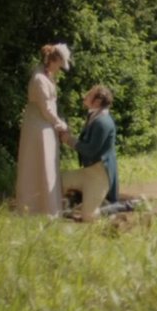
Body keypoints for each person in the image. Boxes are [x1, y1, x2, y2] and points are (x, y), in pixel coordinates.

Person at [15, 43, 72, 215]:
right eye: (60, 65)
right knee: (36, 164)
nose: (60, 69)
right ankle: (33, 207)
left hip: (45, 124)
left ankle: (48, 207)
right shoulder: (39, 78)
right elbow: (45, 108)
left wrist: (56, 123)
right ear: (54, 61)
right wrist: (60, 124)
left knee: (47, 163)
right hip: (37, 125)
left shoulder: (47, 75)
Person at [60, 84, 118, 222]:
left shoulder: (103, 122)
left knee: (88, 217)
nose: (85, 96)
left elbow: (91, 150)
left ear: (97, 101)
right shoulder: (95, 116)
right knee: (59, 181)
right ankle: (70, 205)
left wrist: (69, 140)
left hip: (99, 175)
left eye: (89, 94)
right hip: (88, 172)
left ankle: (119, 208)